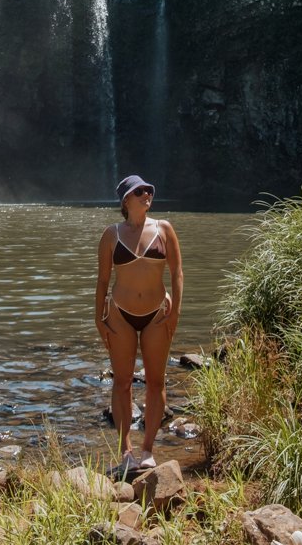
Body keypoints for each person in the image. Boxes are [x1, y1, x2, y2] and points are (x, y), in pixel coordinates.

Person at [95, 174, 183, 472]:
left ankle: (147, 450)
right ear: (125, 201)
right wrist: (98, 318)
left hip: (157, 313)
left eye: (148, 190)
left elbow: (177, 272)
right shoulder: (111, 235)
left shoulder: (164, 229)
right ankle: (126, 453)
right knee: (122, 383)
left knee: (156, 382)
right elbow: (103, 280)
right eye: (140, 191)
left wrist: (175, 312)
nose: (147, 194)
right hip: (119, 313)